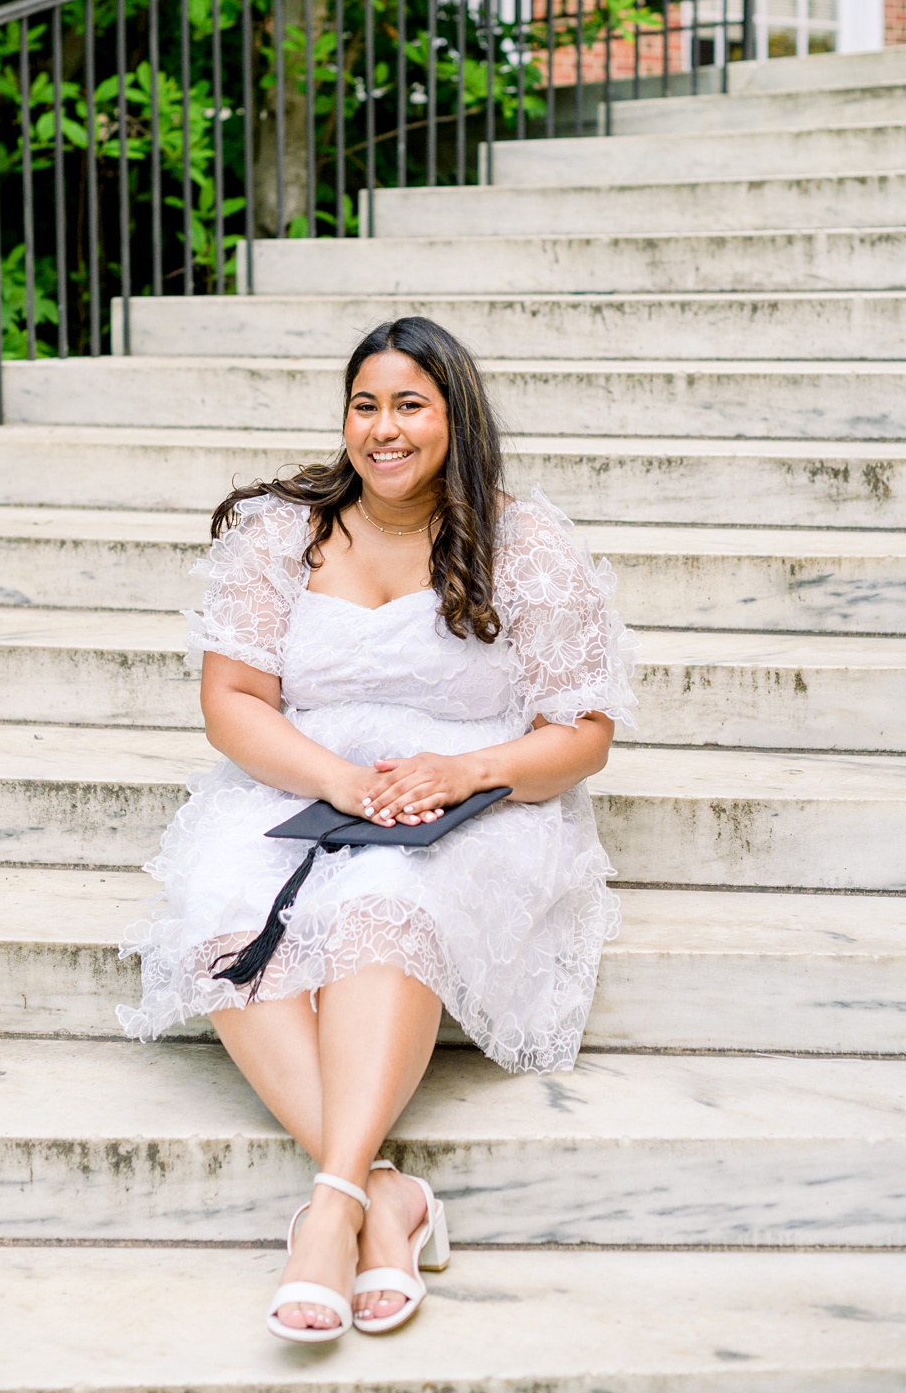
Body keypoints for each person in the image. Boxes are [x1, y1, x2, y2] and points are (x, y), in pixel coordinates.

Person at [118, 315, 636, 1342]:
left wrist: (464, 770)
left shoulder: (523, 542)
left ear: (455, 417)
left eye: (410, 405)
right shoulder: (281, 532)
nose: (383, 429)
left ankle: (326, 1215)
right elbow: (234, 703)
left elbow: (581, 735)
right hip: (301, 781)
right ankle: (377, 1196)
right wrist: (343, 782)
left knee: (387, 903)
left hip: (475, 793)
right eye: (366, 404)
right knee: (227, 912)